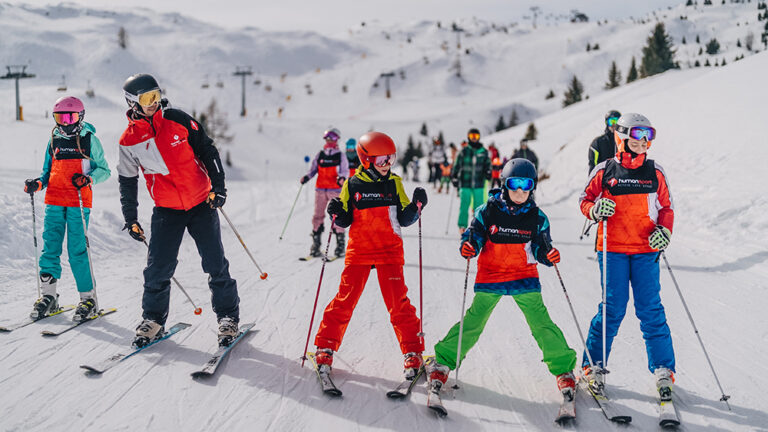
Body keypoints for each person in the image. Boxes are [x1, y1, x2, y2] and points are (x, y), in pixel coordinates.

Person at [426, 159, 577, 400]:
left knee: (541, 323)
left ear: (533, 187)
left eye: (527, 185)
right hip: (492, 276)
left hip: (523, 277)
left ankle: (563, 369)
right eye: (515, 184)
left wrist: (548, 256)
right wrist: (469, 246)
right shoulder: (487, 211)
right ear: (505, 184)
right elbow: (473, 235)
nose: (521, 191)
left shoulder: (538, 217)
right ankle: (443, 361)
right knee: (474, 322)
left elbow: (541, 247)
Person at [117, 73, 240, 347]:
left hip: (201, 203)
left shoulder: (178, 119)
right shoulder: (128, 141)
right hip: (166, 210)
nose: (153, 103)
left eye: (156, 95)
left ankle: (228, 317)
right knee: (157, 269)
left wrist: (218, 187)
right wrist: (131, 218)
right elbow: (127, 181)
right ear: (132, 102)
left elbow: (208, 151)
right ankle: (153, 320)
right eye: (147, 99)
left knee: (215, 264)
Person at [314, 131, 428, 382]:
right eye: (382, 160)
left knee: (398, 304)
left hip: (389, 251)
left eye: (391, 158)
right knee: (344, 301)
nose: (387, 164)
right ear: (366, 160)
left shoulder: (394, 183)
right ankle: (325, 347)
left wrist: (416, 207)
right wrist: (336, 212)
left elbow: (405, 218)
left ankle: (412, 351)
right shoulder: (352, 184)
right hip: (360, 251)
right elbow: (344, 219)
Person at [579, 113, 675, 396]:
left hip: (645, 249)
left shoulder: (655, 172)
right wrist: (595, 210)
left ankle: (663, 369)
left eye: (648, 136)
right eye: (636, 135)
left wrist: (665, 231)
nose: (643, 141)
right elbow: (585, 200)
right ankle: (593, 366)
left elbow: (666, 208)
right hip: (612, 248)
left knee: (650, 308)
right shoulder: (605, 170)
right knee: (612, 308)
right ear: (622, 137)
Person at [24, 96, 111, 322]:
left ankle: (88, 299)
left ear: (80, 117)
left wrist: (88, 179)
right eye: (59, 118)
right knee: (50, 247)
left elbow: (104, 170)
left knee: (77, 250)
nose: (64, 123)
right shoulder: (54, 140)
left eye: (69, 118)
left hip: (78, 202)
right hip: (54, 200)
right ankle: (49, 296)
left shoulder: (90, 140)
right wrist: (37, 184)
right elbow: (47, 172)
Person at [300, 127, 349, 258]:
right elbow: (313, 169)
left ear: (337, 139)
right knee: (317, 216)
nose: (329, 140)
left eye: (332, 137)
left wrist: (342, 179)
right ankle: (316, 246)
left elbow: (345, 171)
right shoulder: (320, 154)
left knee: (337, 215)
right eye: (327, 137)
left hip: (335, 190)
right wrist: (307, 177)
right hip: (321, 189)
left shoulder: (340, 156)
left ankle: (340, 246)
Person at [451, 128, 491, 233]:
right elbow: (456, 165)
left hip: (479, 183)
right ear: (468, 137)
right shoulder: (463, 151)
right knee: (464, 205)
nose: (474, 138)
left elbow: (488, 164)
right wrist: (454, 176)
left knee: (479, 206)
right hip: (465, 183)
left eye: (476, 136)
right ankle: (462, 226)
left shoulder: (483, 152)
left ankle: (478, 226)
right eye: (472, 136)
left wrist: (488, 172)